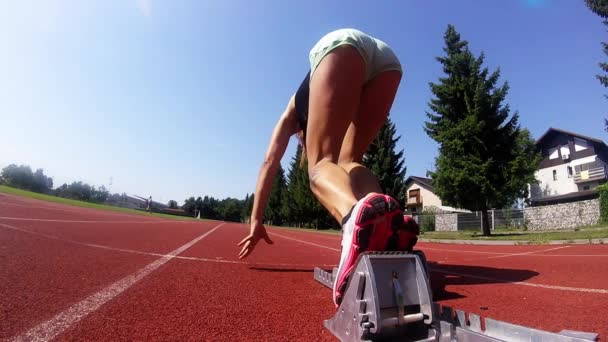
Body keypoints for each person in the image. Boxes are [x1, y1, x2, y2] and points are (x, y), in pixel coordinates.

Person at [237, 28, 419, 306]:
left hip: (341, 45)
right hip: (388, 62)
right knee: (351, 161)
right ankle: (386, 224)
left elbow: (268, 163)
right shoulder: (318, 105)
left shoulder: (290, 115)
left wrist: (256, 221)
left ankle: (354, 220)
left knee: (320, 165)